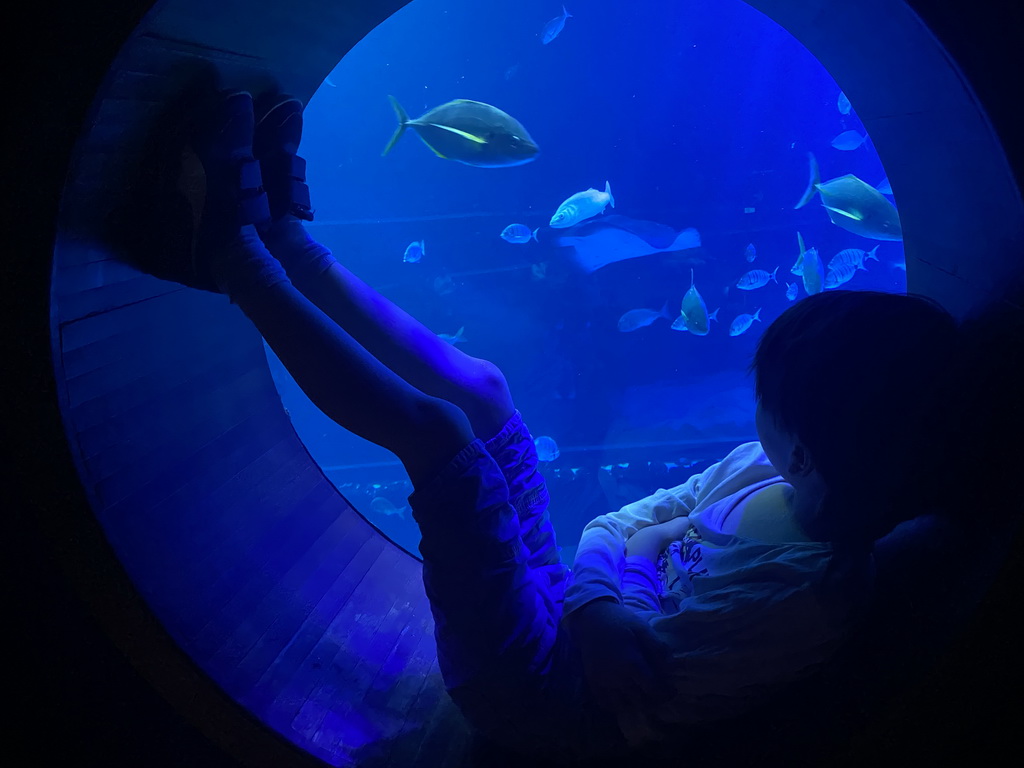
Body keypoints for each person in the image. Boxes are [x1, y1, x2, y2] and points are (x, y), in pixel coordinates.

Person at [144, 91, 970, 766]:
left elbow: (639, 674)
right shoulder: (767, 466)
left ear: (806, 447)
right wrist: (612, 585)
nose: (755, 416)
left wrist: (618, 578)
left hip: (539, 694)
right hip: (572, 610)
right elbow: (624, 527)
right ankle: (291, 246)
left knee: (439, 437)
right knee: (489, 394)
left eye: (771, 398)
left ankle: (234, 257)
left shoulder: (801, 599)